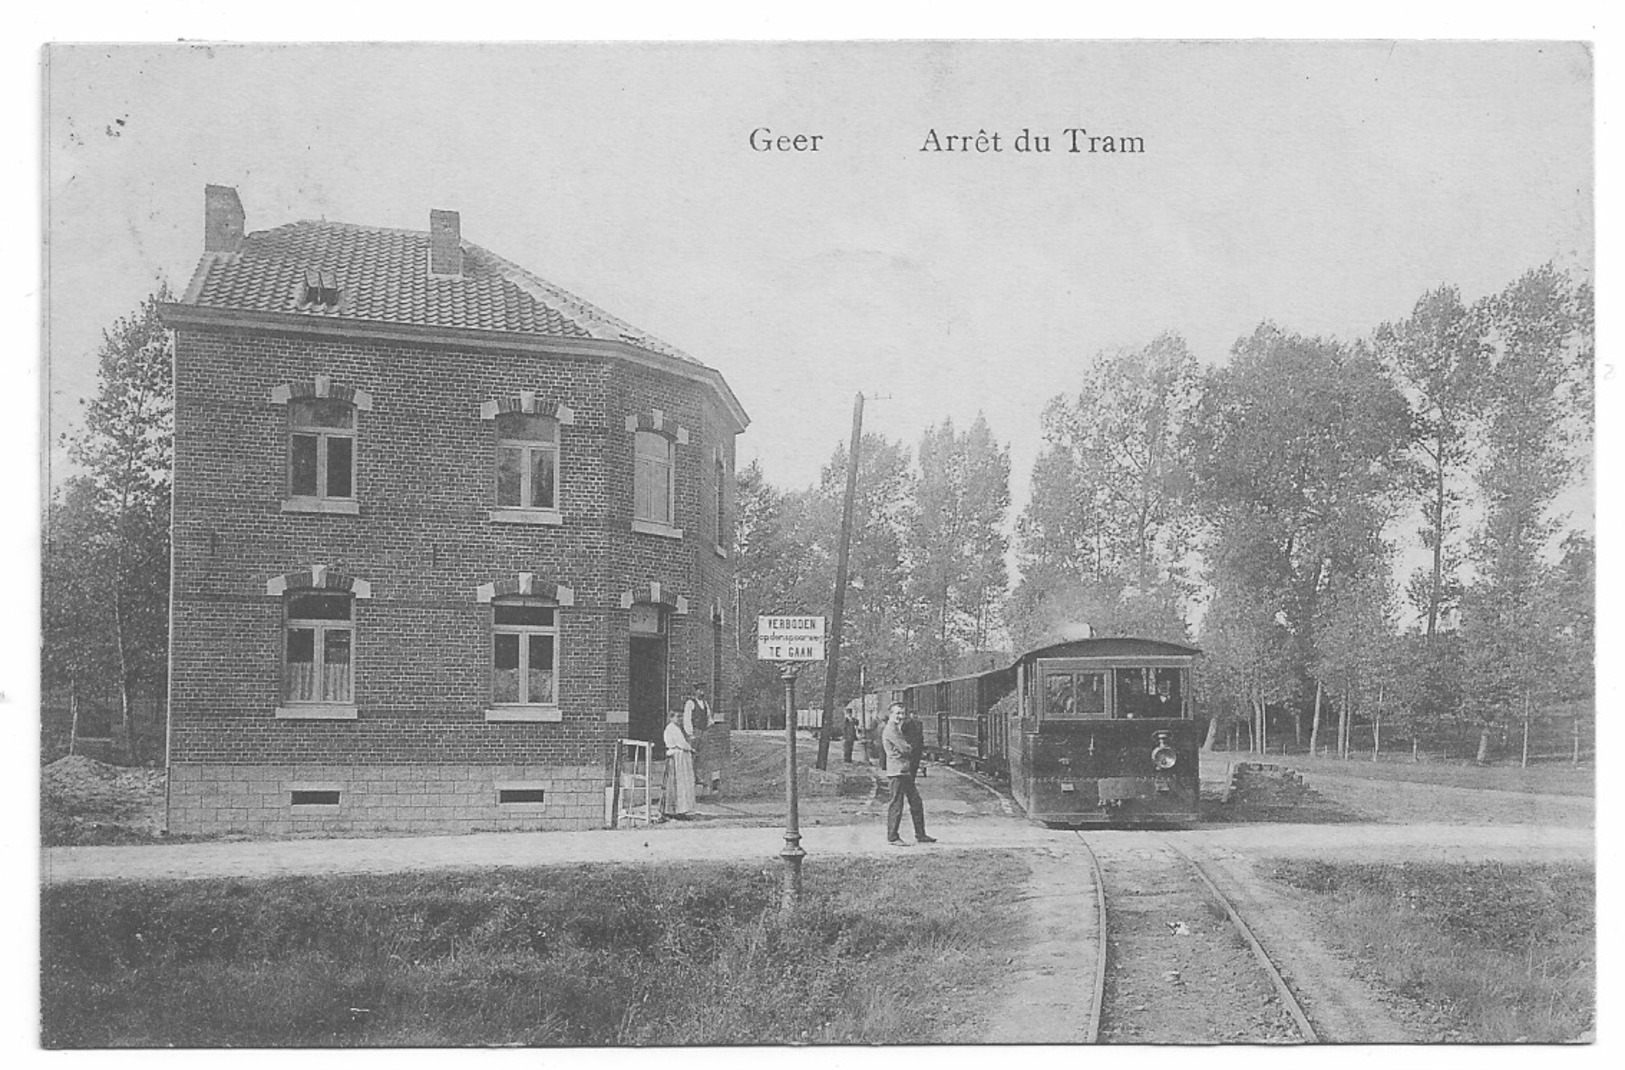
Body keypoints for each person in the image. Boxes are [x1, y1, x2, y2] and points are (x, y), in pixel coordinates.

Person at [881, 702, 935, 846]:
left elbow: (904, 749)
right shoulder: (891, 729)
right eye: (897, 713)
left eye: (902, 713)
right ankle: (893, 837)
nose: (900, 716)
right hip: (897, 772)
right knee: (896, 804)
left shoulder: (897, 729)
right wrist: (908, 748)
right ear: (890, 714)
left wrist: (906, 749)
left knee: (916, 802)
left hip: (903, 770)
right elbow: (905, 749)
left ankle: (920, 834)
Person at [661, 710, 697, 818]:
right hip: (677, 757)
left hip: (680, 756)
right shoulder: (672, 728)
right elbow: (681, 743)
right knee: (678, 783)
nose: (679, 719)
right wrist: (690, 748)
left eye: (680, 717)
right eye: (677, 717)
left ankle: (681, 809)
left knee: (683, 783)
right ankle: (675, 810)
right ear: (671, 718)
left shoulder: (676, 728)